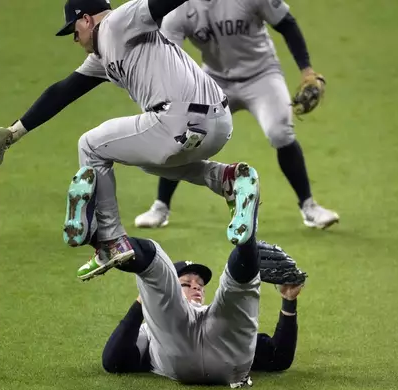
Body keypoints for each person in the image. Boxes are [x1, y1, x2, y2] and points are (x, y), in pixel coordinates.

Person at [0, 0, 261, 280]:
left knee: (90, 145)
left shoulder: (120, 21)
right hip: (216, 122)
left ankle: (111, 240)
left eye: (74, 31)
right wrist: (12, 133)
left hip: (177, 119)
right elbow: (62, 91)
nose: (75, 40)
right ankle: (228, 178)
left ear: (86, 19)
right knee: (145, 160)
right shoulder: (102, 54)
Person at [134, 0, 340, 230]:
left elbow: (286, 24)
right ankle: (161, 207)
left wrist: (307, 70)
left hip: (262, 75)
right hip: (215, 81)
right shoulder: (180, 7)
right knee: (185, 132)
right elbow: (168, 57)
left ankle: (309, 207)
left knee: (280, 132)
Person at [93, 165, 301, 387]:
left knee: (238, 286)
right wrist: (141, 305)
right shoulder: (151, 327)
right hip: (181, 342)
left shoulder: (217, 316)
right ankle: (101, 237)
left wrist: (289, 301)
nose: (196, 287)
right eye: (185, 283)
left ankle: (246, 234)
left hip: (221, 343)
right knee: (155, 264)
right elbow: (112, 361)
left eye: (200, 284)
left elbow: (278, 357)